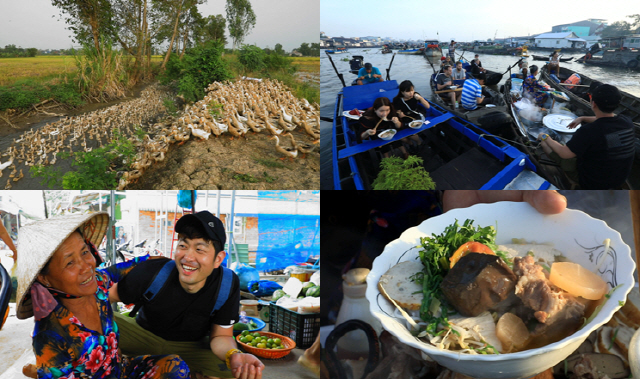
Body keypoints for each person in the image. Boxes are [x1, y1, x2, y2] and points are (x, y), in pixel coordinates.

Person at [15, 212, 190, 379]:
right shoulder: (49, 336)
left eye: (85, 252)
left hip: (120, 370)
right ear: (45, 278)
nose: (87, 266)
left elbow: (115, 271)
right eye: (70, 262)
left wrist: (149, 261)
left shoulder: (97, 285)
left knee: (175, 366)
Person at [110, 211, 264, 379]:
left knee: (240, 371)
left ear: (218, 259)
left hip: (191, 348)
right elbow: (104, 297)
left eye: (199, 249)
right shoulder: (153, 271)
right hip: (141, 337)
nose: (188, 257)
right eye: (183, 246)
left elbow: (221, 335)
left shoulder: (226, 284)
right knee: (93, 321)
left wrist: (234, 354)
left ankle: (184, 371)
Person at [537, 84, 635, 189]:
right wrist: (582, 118)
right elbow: (607, 120)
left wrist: (545, 137)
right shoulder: (627, 122)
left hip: (592, 182)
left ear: (593, 103)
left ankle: (571, 180)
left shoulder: (589, 131)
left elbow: (564, 153)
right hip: (618, 179)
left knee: (546, 145)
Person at [392, 80, 428, 149]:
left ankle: (419, 143)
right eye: (408, 91)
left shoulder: (415, 95)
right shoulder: (397, 100)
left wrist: (420, 98)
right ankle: (411, 144)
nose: (411, 93)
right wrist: (400, 113)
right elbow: (398, 111)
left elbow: (427, 106)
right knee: (401, 135)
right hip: (406, 117)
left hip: (416, 115)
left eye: (412, 90)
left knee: (412, 133)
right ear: (402, 92)